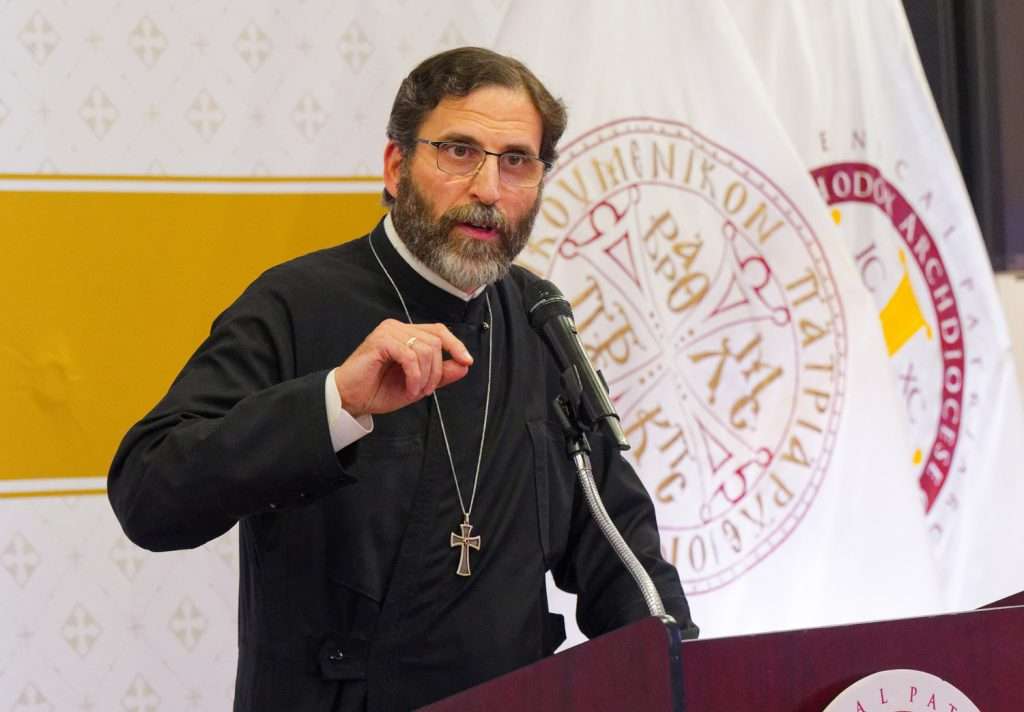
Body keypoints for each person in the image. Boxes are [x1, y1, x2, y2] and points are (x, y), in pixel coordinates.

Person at [108, 46, 697, 711]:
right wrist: (334, 403)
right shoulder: (294, 302)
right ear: (395, 167)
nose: (488, 190)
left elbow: (620, 551)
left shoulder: (540, 322)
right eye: (459, 152)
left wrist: (679, 670)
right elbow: (148, 494)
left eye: (516, 161)